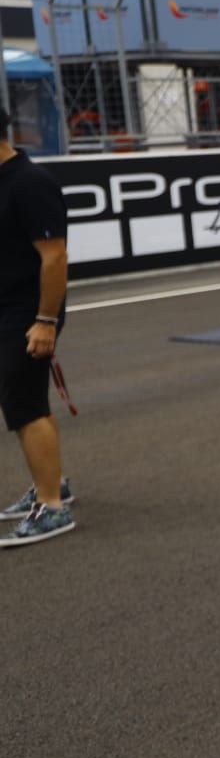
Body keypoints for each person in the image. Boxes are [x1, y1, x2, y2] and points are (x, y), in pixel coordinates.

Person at [0, 108, 74, 548]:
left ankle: (53, 508)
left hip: (28, 314)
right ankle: (53, 483)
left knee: (24, 405)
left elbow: (55, 257)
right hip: (6, 308)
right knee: (26, 400)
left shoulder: (30, 184)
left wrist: (45, 321)